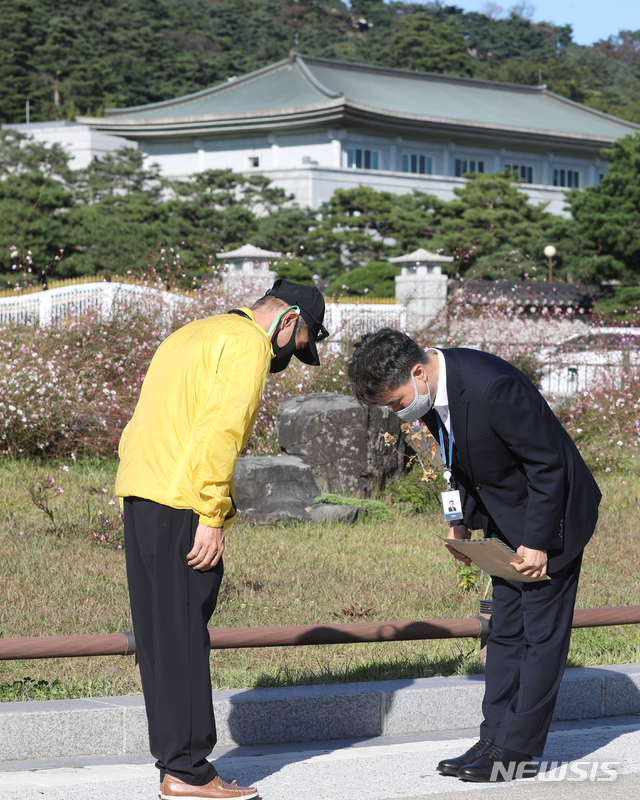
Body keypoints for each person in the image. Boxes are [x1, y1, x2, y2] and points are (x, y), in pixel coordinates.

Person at [347, 328, 601, 783]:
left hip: (553, 516)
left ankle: (517, 753)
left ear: (418, 372)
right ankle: (494, 736)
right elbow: (453, 459)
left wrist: (539, 541)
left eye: (396, 401)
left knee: (540, 638)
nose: (398, 412)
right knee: (505, 630)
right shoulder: (430, 393)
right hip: (506, 515)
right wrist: (458, 519)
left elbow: (548, 464)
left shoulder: (491, 385)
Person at [115, 279, 328, 800]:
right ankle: (190, 773)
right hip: (184, 501)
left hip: (141, 495)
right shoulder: (248, 345)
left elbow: (145, 422)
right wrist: (211, 514)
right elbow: (220, 431)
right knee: (185, 633)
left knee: (160, 636)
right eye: (297, 347)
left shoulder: (191, 334)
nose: (286, 360)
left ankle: (173, 764)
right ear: (289, 321)